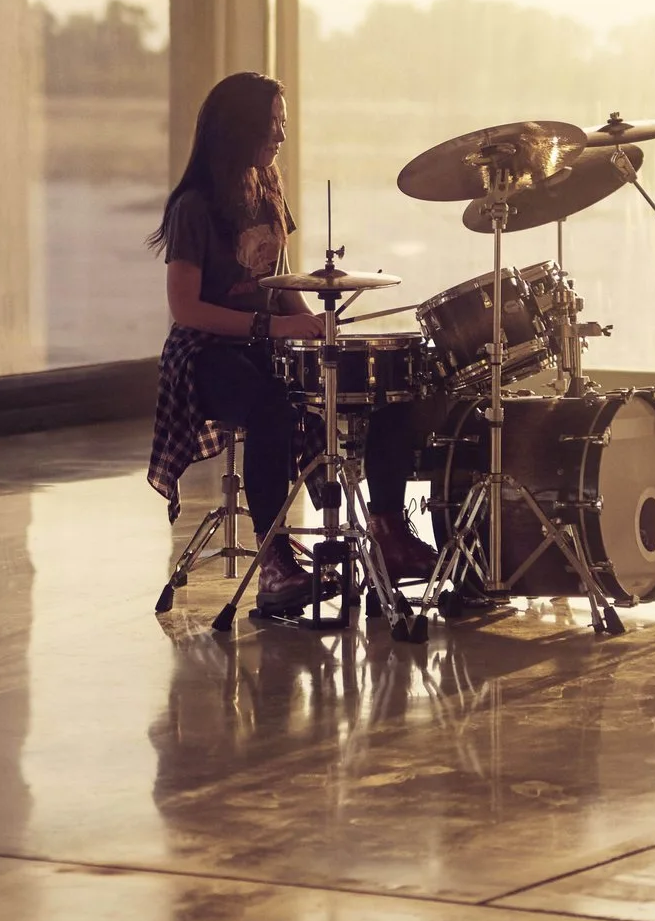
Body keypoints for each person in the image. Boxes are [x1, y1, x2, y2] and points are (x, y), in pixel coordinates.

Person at [146, 71, 437, 616]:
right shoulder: (194, 205)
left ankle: (389, 532)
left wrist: (316, 331)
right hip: (205, 353)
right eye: (274, 124)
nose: (281, 136)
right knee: (271, 409)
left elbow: (279, 289)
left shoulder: (268, 190)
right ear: (242, 127)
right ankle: (274, 562)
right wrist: (275, 331)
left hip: (264, 345)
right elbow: (185, 308)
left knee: (388, 395)